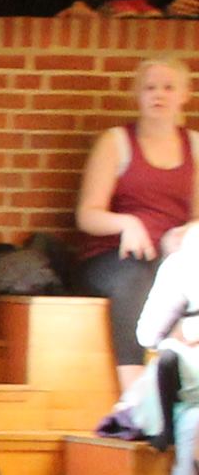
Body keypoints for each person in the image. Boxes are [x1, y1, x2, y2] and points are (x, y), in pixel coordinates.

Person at [73, 56, 197, 363]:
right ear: (137, 95)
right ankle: (131, 382)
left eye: (168, 88)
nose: (158, 95)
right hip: (114, 257)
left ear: (184, 95)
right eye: (150, 88)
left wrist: (184, 235)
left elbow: (197, 217)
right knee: (134, 281)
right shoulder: (116, 142)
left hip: (169, 257)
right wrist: (127, 223)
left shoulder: (194, 146)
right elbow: (87, 215)